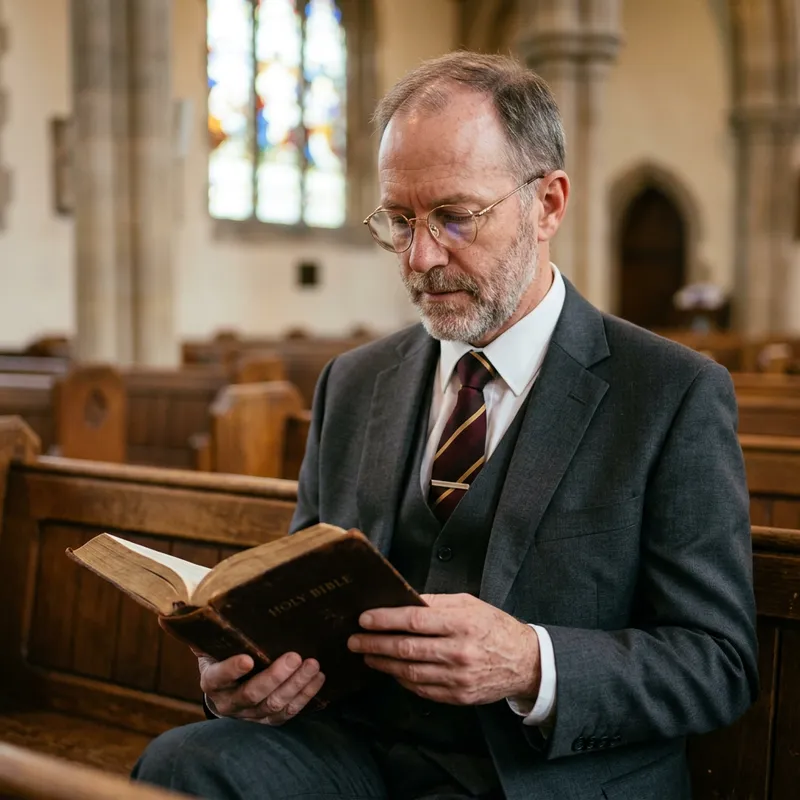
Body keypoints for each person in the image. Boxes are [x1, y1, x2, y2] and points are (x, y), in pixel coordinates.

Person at [133, 51, 758, 800]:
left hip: (540, 774)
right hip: (357, 750)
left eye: (455, 217)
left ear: (549, 203)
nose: (421, 257)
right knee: (186, 764)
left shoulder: (670, 392)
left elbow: (719, 663)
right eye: (399, 221)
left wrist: (531, 660)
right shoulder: (354, 382)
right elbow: (295, 596)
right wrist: (249, 672)